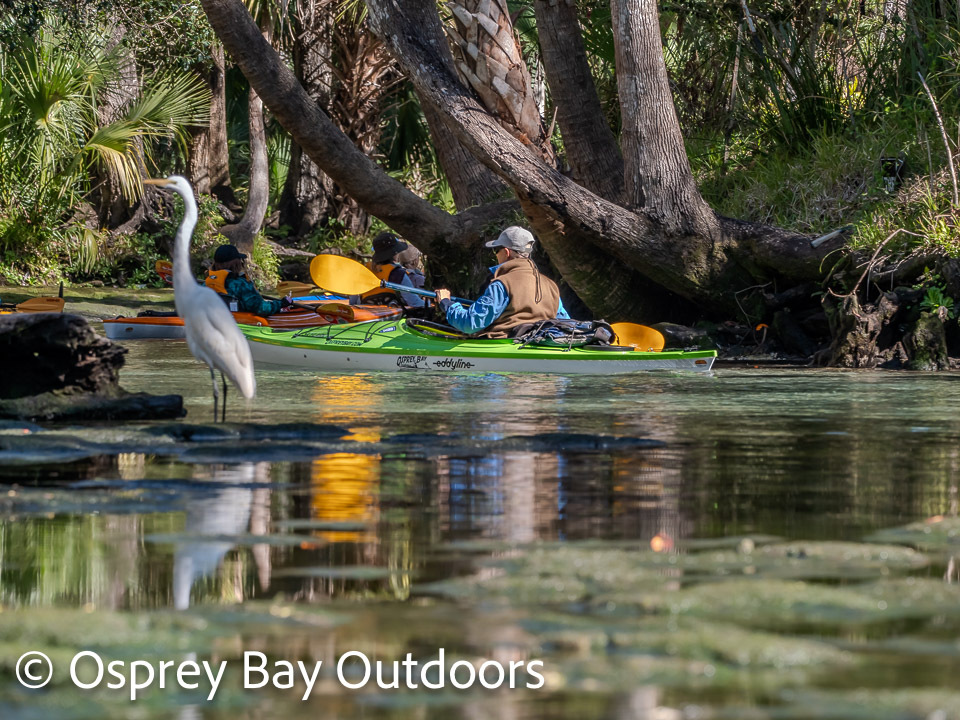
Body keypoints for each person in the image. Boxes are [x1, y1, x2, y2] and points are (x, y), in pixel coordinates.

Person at [435, 226, 569, 338]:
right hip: (541, 342)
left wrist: (446, 303)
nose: (496, 254)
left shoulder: (502, 284)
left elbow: (470, 324)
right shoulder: (551, 285)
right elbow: (565, 322)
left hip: (505, 345)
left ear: (506, 252)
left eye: (496, 250)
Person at [204, 244, 292, 316]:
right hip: (243, 323)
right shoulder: (241, 285)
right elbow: (262, 309)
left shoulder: (206, 284)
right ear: (236, 263)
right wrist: (282, 303)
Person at [364, 232, 425, 307]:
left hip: (366, 312)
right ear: (394, 254)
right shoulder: (397, 273)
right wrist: (429, 304)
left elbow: (353, 301)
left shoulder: (364, 271)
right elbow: (414, 302)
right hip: (391, 313)